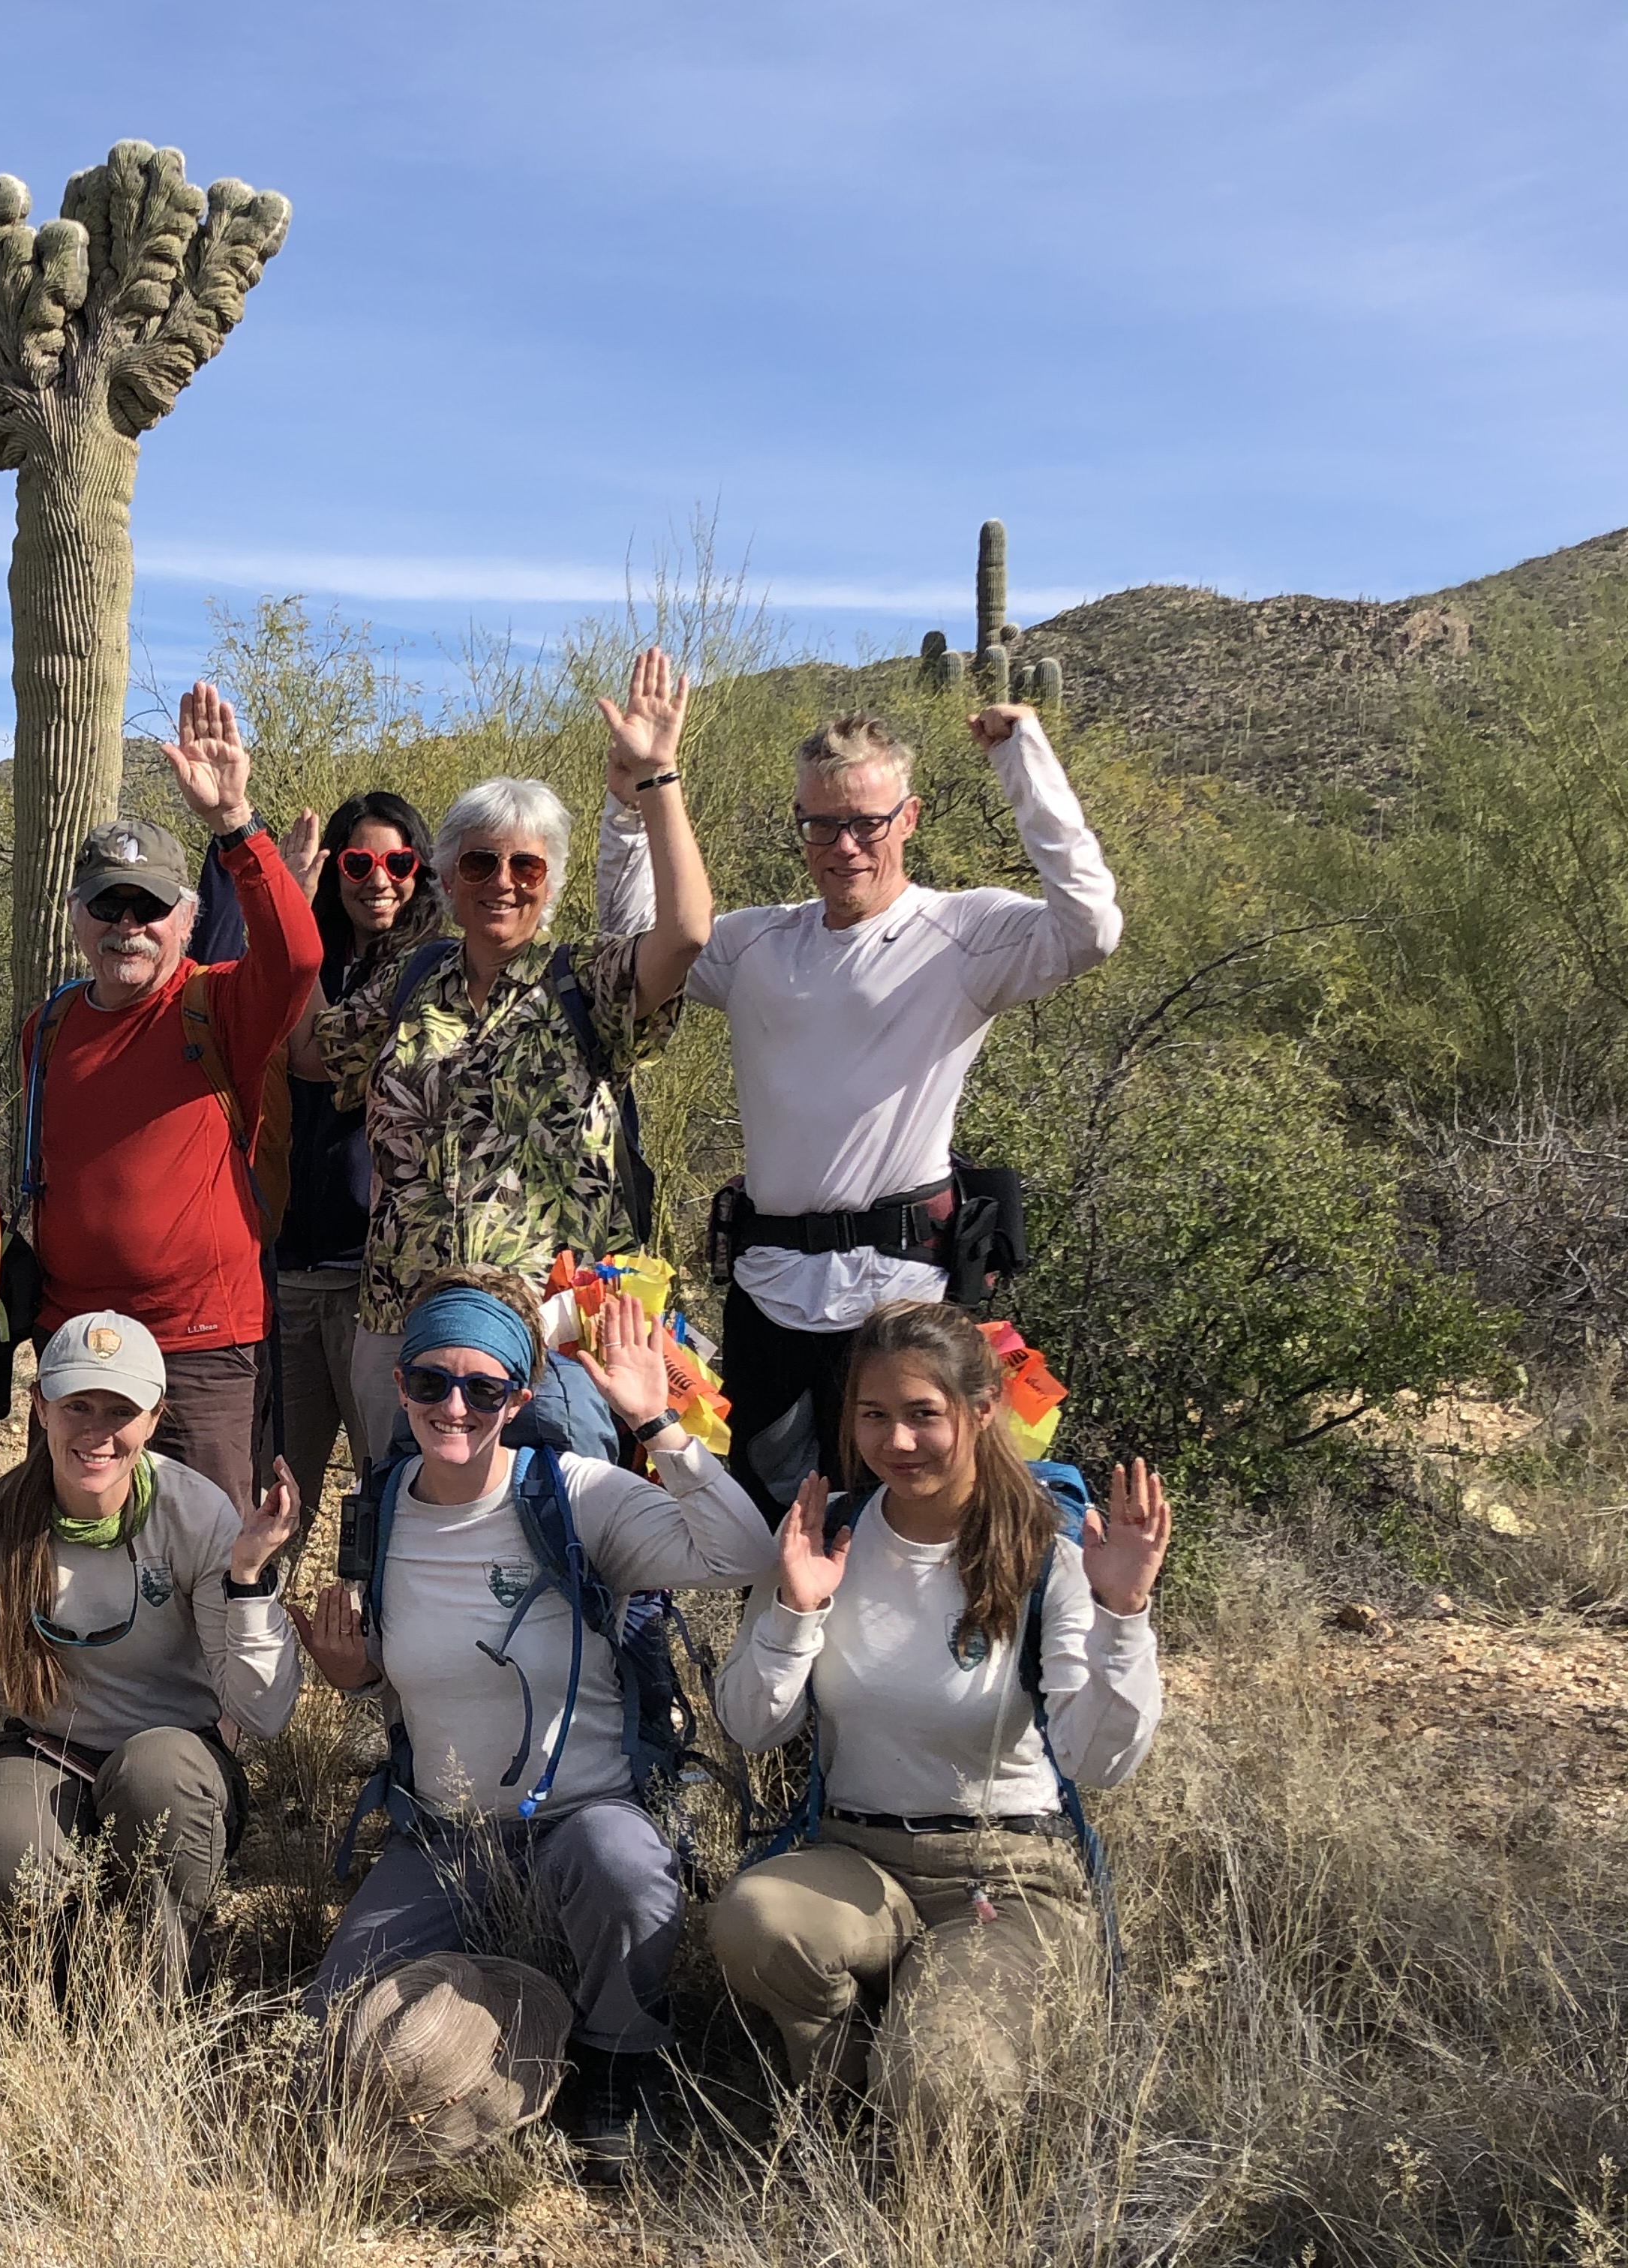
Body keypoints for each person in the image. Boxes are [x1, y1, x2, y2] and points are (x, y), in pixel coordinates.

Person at [293, 1268, 776, 2173]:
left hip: (579, 1821)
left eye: (484, 1388)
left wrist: (655, 1423)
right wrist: (353, 1677)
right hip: (444, 1833)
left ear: (518, 1397)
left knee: (625, 1868)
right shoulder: (381, 1510)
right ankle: (504, 2014)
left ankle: (618, 2058)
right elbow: (407, 1676)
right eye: (431, 1382)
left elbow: (744, 1553)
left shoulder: (577, 1495)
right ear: (400, 1385)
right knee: (333, 2035)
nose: (455, 1408)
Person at [650, 702, 1122, 1522]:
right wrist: (634, 796)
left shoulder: (963, 932)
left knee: (901, 1523)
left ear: (909, 817)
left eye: (866, 824)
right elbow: (639, 952)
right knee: (768, 1527)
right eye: (821, 826)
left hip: (898, 1297)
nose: (844, 848)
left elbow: (1091, 930)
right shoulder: (759, 943)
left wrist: (1024, 762)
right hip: (766, 1295)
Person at [710, 1301, 1167, 2129]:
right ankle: (834, 2082)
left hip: (1010, 1872)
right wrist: (792, 1610)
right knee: (755, 1919)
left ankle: (921, 2052)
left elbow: (1099, 1763)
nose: (898, 1442)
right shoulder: (829, 1532)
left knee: (940, 2085)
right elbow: (751, 1726)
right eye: (874, 1415)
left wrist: (1122, 1612)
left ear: (983, 1410)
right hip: (858, 1855)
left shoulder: (1046, 1552)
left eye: (925, 1415)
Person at [299, 649, 710, 1430]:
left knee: (564, 1531)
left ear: (549, 883)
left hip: (550, 1337)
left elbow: (687, 934)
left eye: (527, 864)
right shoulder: (410, 979)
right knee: (408, 1534)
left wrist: (656, 780)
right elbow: (314, 1054)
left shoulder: (587, 981)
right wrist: (281, 913)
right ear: (447, 879)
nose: (504, 880)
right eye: (481, 862)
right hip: (404, 1325)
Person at [0, 1311, 302, 1987]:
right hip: (48, 1753)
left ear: (155, 1416)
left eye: (121, 1410)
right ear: (40, 1408)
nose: (98, 1431)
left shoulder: (195, 1513)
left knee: (154, 1773)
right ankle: (58, 1982)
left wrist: (249, 1579)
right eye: (78, 1405)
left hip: (174, 1757)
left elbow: (264, 1715)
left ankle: (160, 1988)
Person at [11, 683, 323, 1525]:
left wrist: (235, 825)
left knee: (211, 1549)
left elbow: (295, 958)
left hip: (201, 1345)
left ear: (185, 919)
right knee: (83, 1545)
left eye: (149, 906)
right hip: (75, 1344)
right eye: (108, 905)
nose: (128, 925)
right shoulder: (47, 1027)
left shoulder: (218, 1003)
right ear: (76, 917)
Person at [272, 793, 443, 1532]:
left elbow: (320, 1059)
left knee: (391, 1494)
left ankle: (379, 1645)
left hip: (379, 1287)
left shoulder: (433, 974)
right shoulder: (293, 961)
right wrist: (286, 916)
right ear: (334, 866)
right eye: (360, 860)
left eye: (400, 861)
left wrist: (293, 932)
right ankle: (256, 1636)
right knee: (274, 1495)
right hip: (282, 1273)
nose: (381, 878)